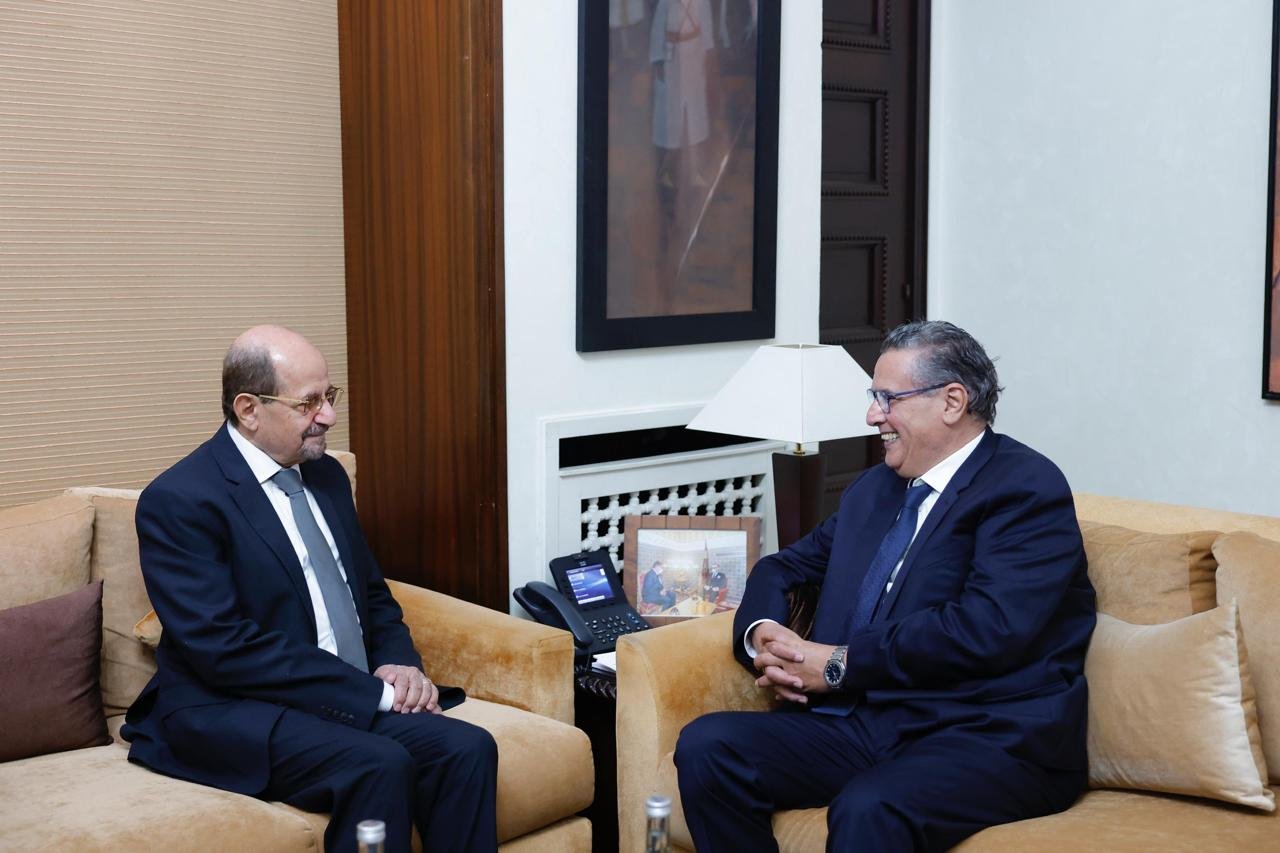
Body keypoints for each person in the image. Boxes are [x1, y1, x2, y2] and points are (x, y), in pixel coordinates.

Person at [675, 320, 1096, 852]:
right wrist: (764, 636)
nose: (873, 415)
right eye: (874, 398)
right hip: (867, 722)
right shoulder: (874, 489)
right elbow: (784, 567)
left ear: (952, 401)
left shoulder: (1025, 489)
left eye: (887, 398)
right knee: (709, 746)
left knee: (869, 807)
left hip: (985, 736)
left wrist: (839, 664)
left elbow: (987, 628)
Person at [121, 326, 497, 853]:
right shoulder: (181, 500)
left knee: (468, 748)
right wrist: (374, 694)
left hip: (328, 695)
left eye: (329, 395)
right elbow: (222, 648)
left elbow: (371, 593)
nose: (329, 416)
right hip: (231, 705)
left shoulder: (326, 475)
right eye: (309, 403)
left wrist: (399, 663)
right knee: (379, 763)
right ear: (249, 409)